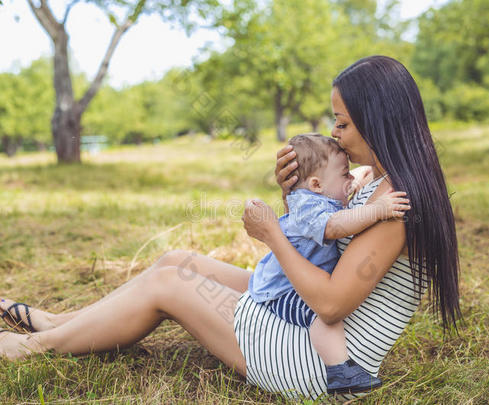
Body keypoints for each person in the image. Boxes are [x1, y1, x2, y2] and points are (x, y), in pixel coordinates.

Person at [0, 55, 460, 401]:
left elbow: (333, 303)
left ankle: (34, 347)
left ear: (378, 119)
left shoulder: (395, 206)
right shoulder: (377, 181)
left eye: (342, 122)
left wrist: (273, 234)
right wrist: (297, 198)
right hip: (301, 316)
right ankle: (58, 323)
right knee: (177, 262)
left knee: (168, 284)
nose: (335, 134)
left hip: (322, 360)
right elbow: (323, 234)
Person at [248, 133, 410, 394]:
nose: (351, 178)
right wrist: (378, 209)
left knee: (323, 318)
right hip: (283, 290)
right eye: (345, 174)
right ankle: (339, 370)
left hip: (293, 283)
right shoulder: (308, 204)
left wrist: (361, 174)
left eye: (343, 122)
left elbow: (355, 179)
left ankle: (340, 369)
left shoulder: (319, 192)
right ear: (316, 183)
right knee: (319, 320)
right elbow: (334, 226)